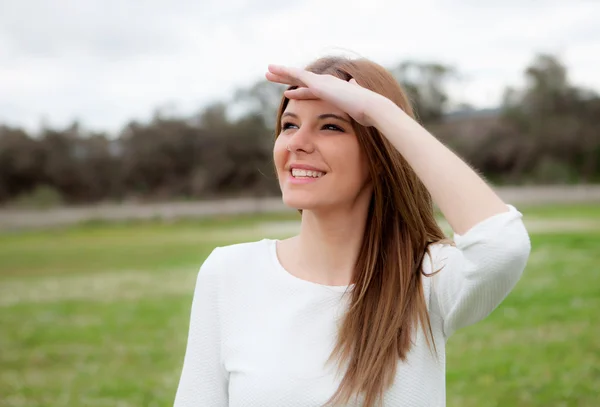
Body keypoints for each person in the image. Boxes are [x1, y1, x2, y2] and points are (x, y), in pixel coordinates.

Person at [173, 56, 531, 407]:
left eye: (331, 126)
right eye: (289, 125)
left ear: (379, 154)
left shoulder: (426, 279)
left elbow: (501, 244)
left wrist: (379, 111)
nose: (297, 142)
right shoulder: (229, 272)